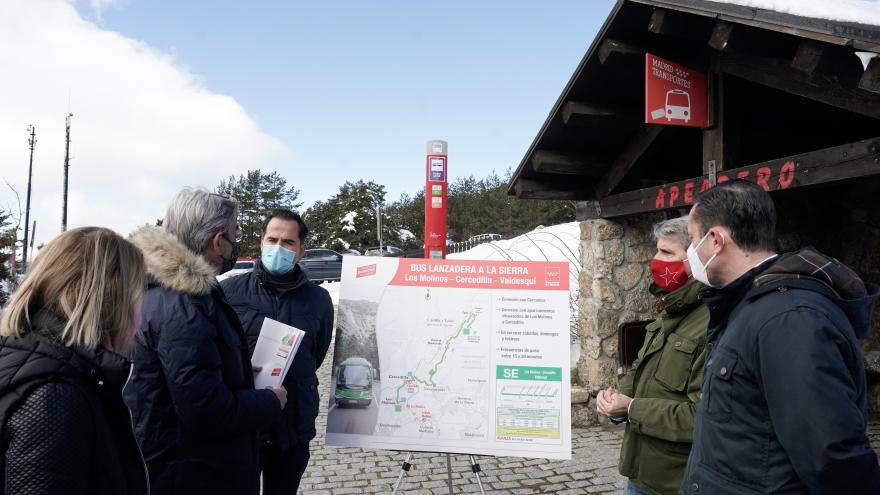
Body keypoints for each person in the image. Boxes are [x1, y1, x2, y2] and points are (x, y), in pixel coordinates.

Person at [680, 180, 880, 494]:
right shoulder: (750, 303)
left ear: (715, 239)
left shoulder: (788, 319)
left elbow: (834, 459)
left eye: (692, 239)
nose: (689, 253)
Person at [124, 188, 287, 495]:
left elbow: (185, 375)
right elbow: (206, 410)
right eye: (234, 233)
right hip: (196, 473)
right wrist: (269, 402)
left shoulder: (162, 289)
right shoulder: (183, 303)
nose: (234, 243)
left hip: (180, 464)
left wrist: (233, 367)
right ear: (217, 240)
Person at [0, 227, 148, 495]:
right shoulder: (54, 397)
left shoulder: (39, 362)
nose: (140, 315)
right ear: (111, 303)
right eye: (138, 298)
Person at [222, 209, 334, 495]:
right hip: (243, 424)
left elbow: (317, 354)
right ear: (261, 242)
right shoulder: (229, 292)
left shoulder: (319, 299)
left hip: (293, 425)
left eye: (288, 243)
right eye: (272, 239)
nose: (278, 248)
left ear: (301, 249)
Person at [597, 216, 708, 495]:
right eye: (657, 250)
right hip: (641, 473)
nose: (655, 260)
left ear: (695, 260)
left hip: (676, 481)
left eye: (667, 252)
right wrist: (614, 401)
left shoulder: (710, 322)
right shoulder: (669, 311)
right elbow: (641, 370)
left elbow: (702, 417)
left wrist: (631, 408)